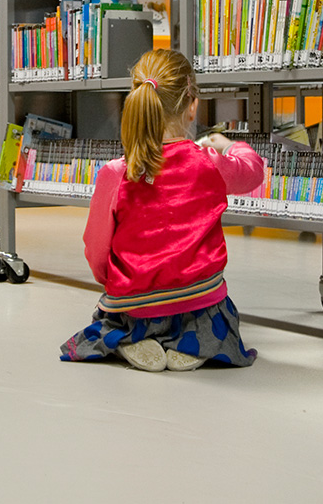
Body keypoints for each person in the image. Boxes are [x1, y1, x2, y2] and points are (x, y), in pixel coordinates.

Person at [60, 48, 264, 371]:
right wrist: (230, 145)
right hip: (200, 302)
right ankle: (196, 342)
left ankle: (133, 338)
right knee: (213, 314)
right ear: (192, 106)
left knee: (114, 320)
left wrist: (114, 282)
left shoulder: (116, 172)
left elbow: (97, 251)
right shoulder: (208, 164)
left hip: (134, 304)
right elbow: (253, 172)